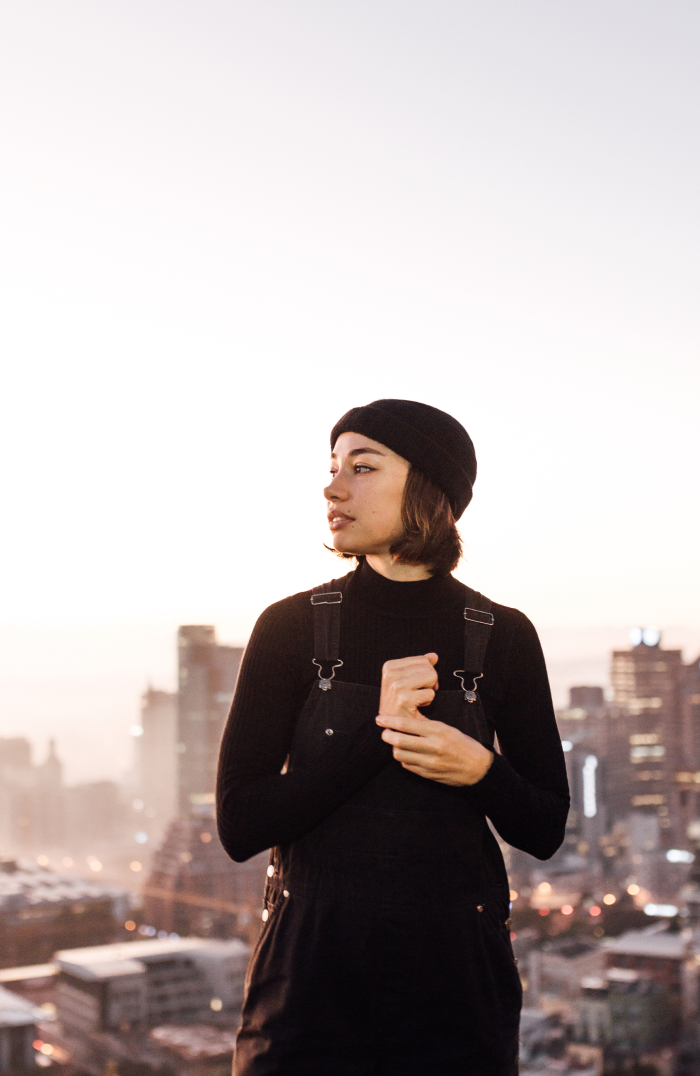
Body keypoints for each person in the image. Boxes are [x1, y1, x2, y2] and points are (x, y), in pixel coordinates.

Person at [217, 399, 570, 1075]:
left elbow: (545, 827)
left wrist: (482, 771)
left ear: (429, 489)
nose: (333, 486)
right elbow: (240, 824)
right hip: (308, 987)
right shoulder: (289, 629)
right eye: (332, 467)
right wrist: (380, 736)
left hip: (456, 990)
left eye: (363, 466)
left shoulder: (505, 636)